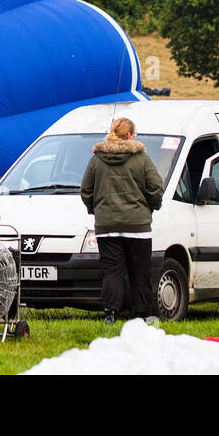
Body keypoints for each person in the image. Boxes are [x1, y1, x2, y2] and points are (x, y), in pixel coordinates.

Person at [80, 117, 164, 322]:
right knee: (139, 271)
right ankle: (141, 314)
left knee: (112, 271)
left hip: (107, 226)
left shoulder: (97, 159)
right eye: (134, 133)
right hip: (138, 225)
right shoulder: (141, 158)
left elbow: (86, 190)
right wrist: (150, 208)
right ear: (129, 135)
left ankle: (111, 312)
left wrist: (96, 210)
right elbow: (155, 187)